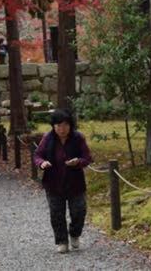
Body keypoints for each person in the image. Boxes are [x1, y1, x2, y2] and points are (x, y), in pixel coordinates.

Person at [34, 108, 93, 254]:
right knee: (56, 213)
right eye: (58, 125)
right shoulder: (48, 138)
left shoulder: (78, 137)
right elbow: (37, 155)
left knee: (79, 210)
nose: (62, 129)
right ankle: (61, 241)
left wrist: (78, 161)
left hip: (75, 182)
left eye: (65, 125)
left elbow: (87, 157)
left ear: (70, 125)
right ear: (53, 126)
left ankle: (74, 233)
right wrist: (42, 163)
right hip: (53, 182)